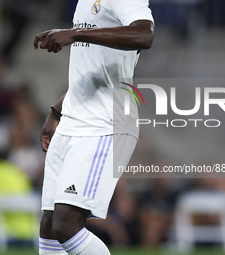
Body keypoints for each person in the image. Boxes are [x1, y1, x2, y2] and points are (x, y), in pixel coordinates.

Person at [34, 0, 155, 254]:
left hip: (104, 123)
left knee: (65, 225)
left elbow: (144, 34)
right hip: (72, 120)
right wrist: (57, 110)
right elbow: (91, 68)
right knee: (48, 225)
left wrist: (74, 33)